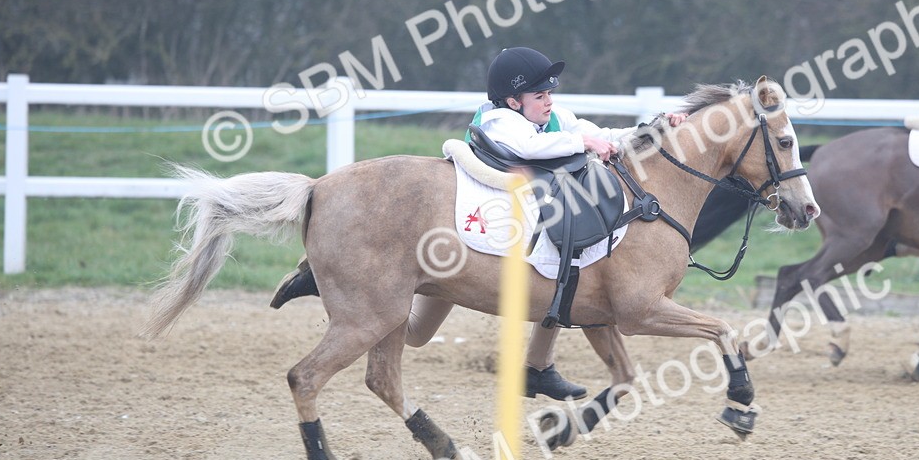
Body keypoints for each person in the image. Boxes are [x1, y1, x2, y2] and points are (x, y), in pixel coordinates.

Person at [271, 46, 686, 400]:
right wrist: (584, 142)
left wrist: (656, 129)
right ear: (512, 101)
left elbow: (605, 135)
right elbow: (528, 145)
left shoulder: (555, 119)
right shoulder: (498, 120)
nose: (549, 101)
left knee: (415, 335)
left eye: (549, 93)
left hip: (496, 231)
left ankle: (537, 366)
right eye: (539, 94)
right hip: (489, 210)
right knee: (409, 328)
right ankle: (327, 278)